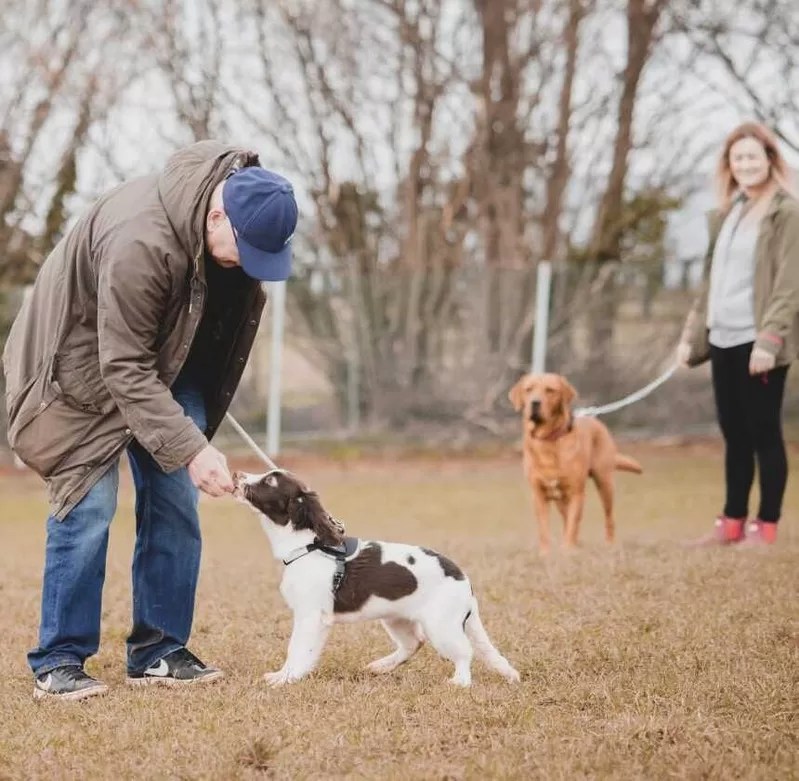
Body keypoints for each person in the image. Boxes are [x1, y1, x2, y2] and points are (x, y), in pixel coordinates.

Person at [2, 141, 298, 700]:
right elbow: (123, 365)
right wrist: (192, 446)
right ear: (216, 214)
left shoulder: (229, 226)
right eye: (245, 249)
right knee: (87, 505)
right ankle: (59, 659)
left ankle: (159, 650)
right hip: (77, 364)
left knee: (176, 498)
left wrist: (191, 437)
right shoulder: (141, 239)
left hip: (161, 357)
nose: (247, 264)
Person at [677, 122, 799, 546]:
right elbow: (711, 282)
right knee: (734, 433)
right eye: (738, 158)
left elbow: (789, 284)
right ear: (729, 166)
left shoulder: (786, 212)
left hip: (760, 342)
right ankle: (731, 521)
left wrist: (770, 340)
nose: (745, 164)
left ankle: (765, 526)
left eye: (753, 156)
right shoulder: (729, 213)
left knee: (764, 430)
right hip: (722, 338)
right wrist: (692, 339)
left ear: (769, 160)